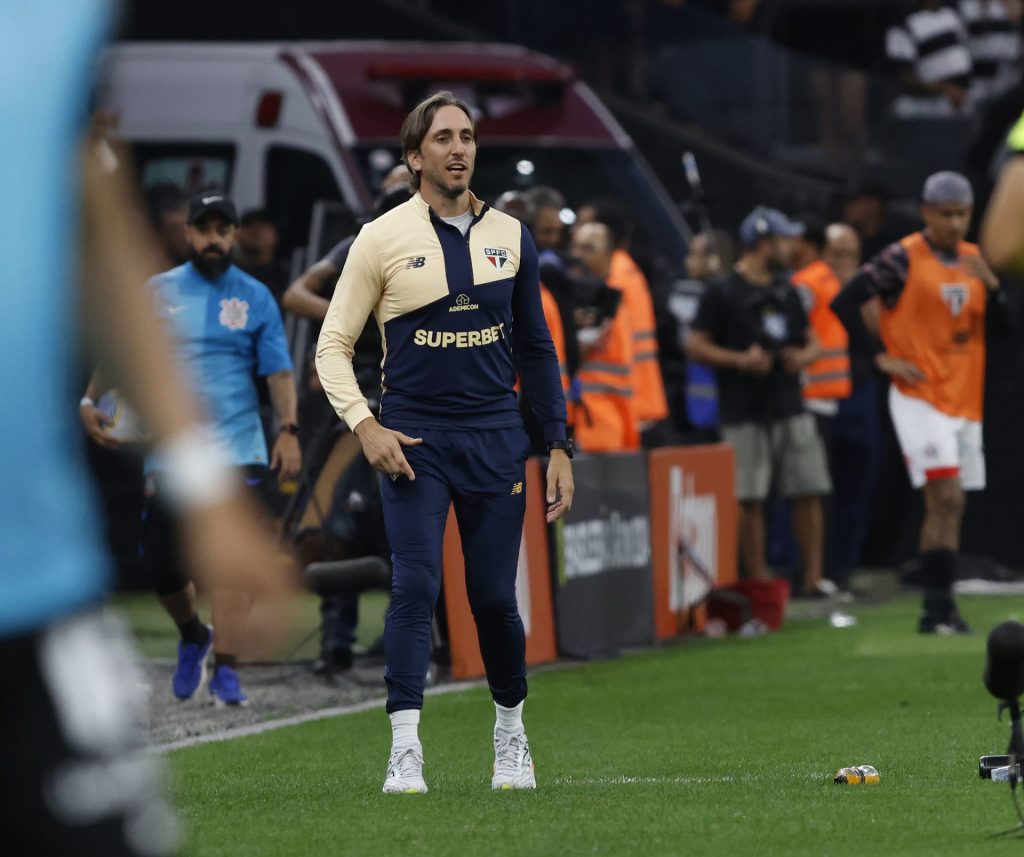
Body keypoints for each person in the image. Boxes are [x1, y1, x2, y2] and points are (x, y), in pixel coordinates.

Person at [1, 4, 294, 853]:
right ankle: (199, 639)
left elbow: (96, 221)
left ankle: (218, 659)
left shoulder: (59, 22)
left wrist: (209, 478)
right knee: (166, 574)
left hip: (33, 593)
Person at [315, 90, 573, 794]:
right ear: (413, 156)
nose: (458, 148)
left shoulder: (514, 235)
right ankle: (405, 748)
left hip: (495, 438)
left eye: (466, 136)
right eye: (442, 138)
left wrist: (557, 444)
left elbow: (537, 348)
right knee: (416, 582)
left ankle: (511, 735)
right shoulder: (380, 237)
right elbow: (332, 345)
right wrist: (365, 424)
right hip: (414, 438)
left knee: (492, 597)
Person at [106, 192, 301, 705]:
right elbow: (126, 346)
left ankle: (228, 666)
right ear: (188, 234)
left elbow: (278, 371)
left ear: (234, 236)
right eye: (204, 229)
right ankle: (194, 634)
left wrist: (289, 429)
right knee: (163, 566)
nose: (213, 238)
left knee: (233, 565)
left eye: (223, 229)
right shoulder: (155, 291)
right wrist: (91, 397)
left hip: (240, 445)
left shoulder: (256, 297)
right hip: (173, 451)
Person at [832, 171, 1007, 633]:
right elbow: (847, 300)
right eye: (946, 215)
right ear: (927, 213)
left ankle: (943, 608)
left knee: (953, 504)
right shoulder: (902, 257)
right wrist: (880, 358)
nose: (955, 224)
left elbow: (1002, 324)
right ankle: (934, 608)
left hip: (963, 398)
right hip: (921, 395)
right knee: (942, 494)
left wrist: (994, 287)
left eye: (962, 214)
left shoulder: (973, 260)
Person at [686, 207, 831, 593]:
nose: (792, 246)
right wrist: (740, 360)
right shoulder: (722, 291)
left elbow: (812, 340)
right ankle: (760, 580)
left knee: (808, 489)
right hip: (742, 406)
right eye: (785, 239)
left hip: (788, 401)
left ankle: (813, 579)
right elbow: (696, 345)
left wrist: (802, 357)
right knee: (748, 496)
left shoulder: (787, 288)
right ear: (764, 242)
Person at [569, 221, 638, 452]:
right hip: (589, 422)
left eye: (588, 249)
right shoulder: (584, 300)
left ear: (609, 255)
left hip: (607, 422)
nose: (578, 256)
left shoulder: (607, 300)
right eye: (576, 247)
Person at [886, 0, 974, 118]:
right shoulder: (903, 26)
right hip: (926, 112)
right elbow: (904, 77)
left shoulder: (951, 14)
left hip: (960, 105)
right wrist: (942, 88)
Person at [235, 208, 289, 302]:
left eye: (263, 226)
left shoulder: (287, 272)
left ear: (275, 233)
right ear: (238, 234)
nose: (256, 231)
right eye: (249, 226)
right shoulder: (229, 271)